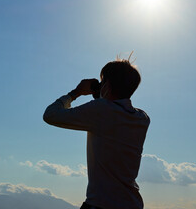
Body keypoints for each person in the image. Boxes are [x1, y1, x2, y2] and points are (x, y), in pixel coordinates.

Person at [43, 57, 150, 209]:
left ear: (107, 85)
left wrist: (76, 92)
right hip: (132, 203)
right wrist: (101, 94)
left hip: (101, 204)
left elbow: (50, 115)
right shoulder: (142, 118)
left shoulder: (101, 110)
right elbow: (113, 111)